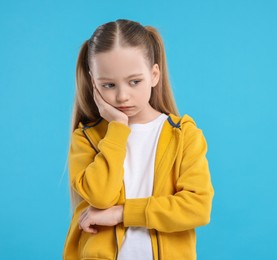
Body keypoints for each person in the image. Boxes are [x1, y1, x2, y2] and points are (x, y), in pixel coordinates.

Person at [62, 19, 214, 260]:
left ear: (154, 75)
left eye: (135, 81)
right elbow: (101, 196)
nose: (122, 96)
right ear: (93, 82)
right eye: (108, 84)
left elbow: (198, 208)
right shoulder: (86, 137)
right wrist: (118, 128)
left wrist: (123, 213)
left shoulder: (183, 135)